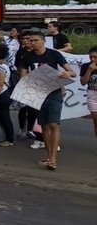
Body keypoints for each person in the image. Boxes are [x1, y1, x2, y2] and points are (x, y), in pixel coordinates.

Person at [20, 29, 75, 170]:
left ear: (43, 41)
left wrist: (67, 73)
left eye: (35, 40)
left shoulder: (54, 54)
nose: (33, 43)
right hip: (39, 95)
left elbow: (72, 72)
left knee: (54, 125)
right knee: (44, 125)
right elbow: (23, 77)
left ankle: (53, 159)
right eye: (31, 41)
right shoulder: (27, 57)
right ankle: (49, 155)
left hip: (54, 92)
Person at [80, 46, 97, 149]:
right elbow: (83, 82)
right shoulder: (86, 66)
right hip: (92, 95)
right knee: (96, 121)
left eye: (95, 57)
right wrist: (89, 71)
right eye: (91, 57)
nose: (92, 60)